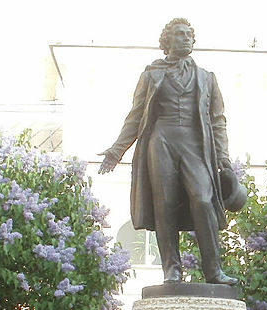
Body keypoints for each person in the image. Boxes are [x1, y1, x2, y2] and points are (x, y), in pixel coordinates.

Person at [99, 18, 244, 285]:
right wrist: (115, 151)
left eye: (189, 34)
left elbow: (218, 121)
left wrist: (223, 159)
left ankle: (214, 270)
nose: (186, 38)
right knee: (164, 204)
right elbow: (136, 117)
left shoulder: (206, 78)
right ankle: (172, 269)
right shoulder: (151, 75)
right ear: (167, 41)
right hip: (161, 140)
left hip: (195, 143)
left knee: (202, 198)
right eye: (179, 34)